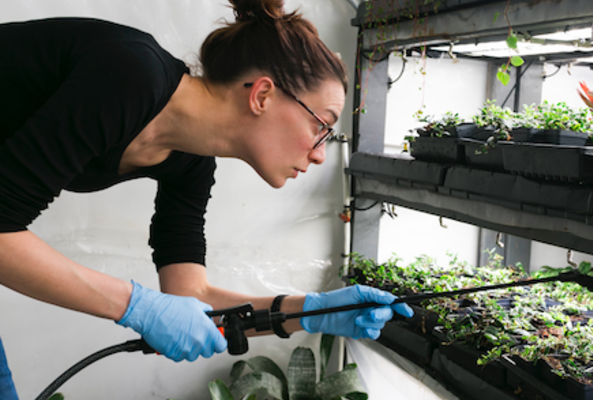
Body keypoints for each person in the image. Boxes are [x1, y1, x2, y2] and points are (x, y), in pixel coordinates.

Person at [0, 0, 413, 398]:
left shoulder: (192, 165)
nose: (321, 153)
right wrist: (136, 306)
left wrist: (311, 311)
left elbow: (190, 299)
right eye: (321, 125)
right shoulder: (130, 73)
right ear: (263, 95)